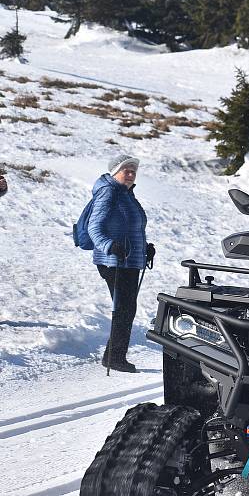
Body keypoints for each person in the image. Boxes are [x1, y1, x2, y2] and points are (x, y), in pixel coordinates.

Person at [88, 154, 156, 373]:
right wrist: (109, 245)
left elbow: (131, 227)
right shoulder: (109, 192)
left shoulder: (126, 194)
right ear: (114, 171)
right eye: (126, 170)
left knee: (127, 308)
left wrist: (145, 247)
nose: (130, 174)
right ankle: (115, 358)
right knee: (123, 308)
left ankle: (113, 356)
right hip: (113, 261)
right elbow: (94, 226)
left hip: (130, 260)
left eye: (133, 171)